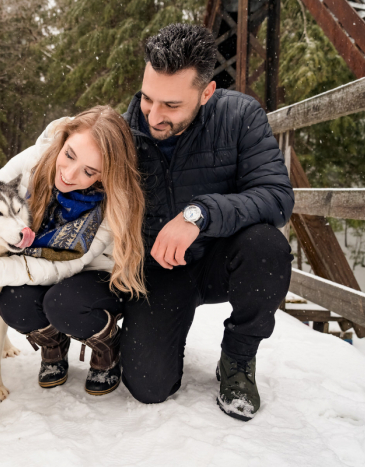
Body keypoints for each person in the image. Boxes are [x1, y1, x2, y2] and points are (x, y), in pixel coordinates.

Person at [118, 23, 294, 421]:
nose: (154, 116)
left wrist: (199, 214)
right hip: (160, 268)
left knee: (267, 247)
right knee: (148, 385)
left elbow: (277, 198)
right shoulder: (124, 129)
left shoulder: (240, 116)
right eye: (148, 98)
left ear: (206, 92)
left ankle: (237, 357)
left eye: (172, 105)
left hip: (221, 258)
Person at [0, 106, 146, 396]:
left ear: (105, 175)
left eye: (89, 171)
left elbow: (60, 269)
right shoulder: (35, 160)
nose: (69, 174)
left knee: (64, 304)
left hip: (91, 274)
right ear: (63, 140)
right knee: (13, 302)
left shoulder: (110, 204)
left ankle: (106, 342)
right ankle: (54, 344)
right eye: (69, 155)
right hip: (35, 258)